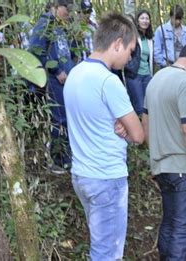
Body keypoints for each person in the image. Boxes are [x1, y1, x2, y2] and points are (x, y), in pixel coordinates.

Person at [63, 13, 145, 260]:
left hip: (82, 175)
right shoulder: (108, 81)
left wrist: (120, 123)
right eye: (130, 51)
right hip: (107, 178)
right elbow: (139, 135)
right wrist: (126, 125)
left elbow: (95, 118)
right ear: (117, 43)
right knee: (107, 253)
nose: (130, 57)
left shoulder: (74, 74)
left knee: (100, 246)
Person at [142, 41, 186, 260]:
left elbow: (145, 123)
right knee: (183, 229)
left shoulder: (155, 80)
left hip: (162, 167)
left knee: (170, 224)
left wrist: (156, 158)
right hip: (184, 169)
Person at [29, 0, 75, 174]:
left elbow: (64, 52)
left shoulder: (59, 26)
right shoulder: (44, 23)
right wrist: (56, 70)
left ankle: (67, 157)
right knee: (59, 120)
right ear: (55, 6)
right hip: (54, 82)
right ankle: (58, 160)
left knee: (66, 118)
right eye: (66, 9)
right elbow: (36, 51)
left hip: (65, 82)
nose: (68, 13)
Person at [123, 10, 153, 115]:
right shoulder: (132, 36)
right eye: (142, 18)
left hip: (147, 75)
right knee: (139, 108)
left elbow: (150, 59)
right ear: (137, 21)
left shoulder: (149, 39)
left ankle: (148, 130)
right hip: (134, 75)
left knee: (148, 107)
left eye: (147, 18)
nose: (145, 21)